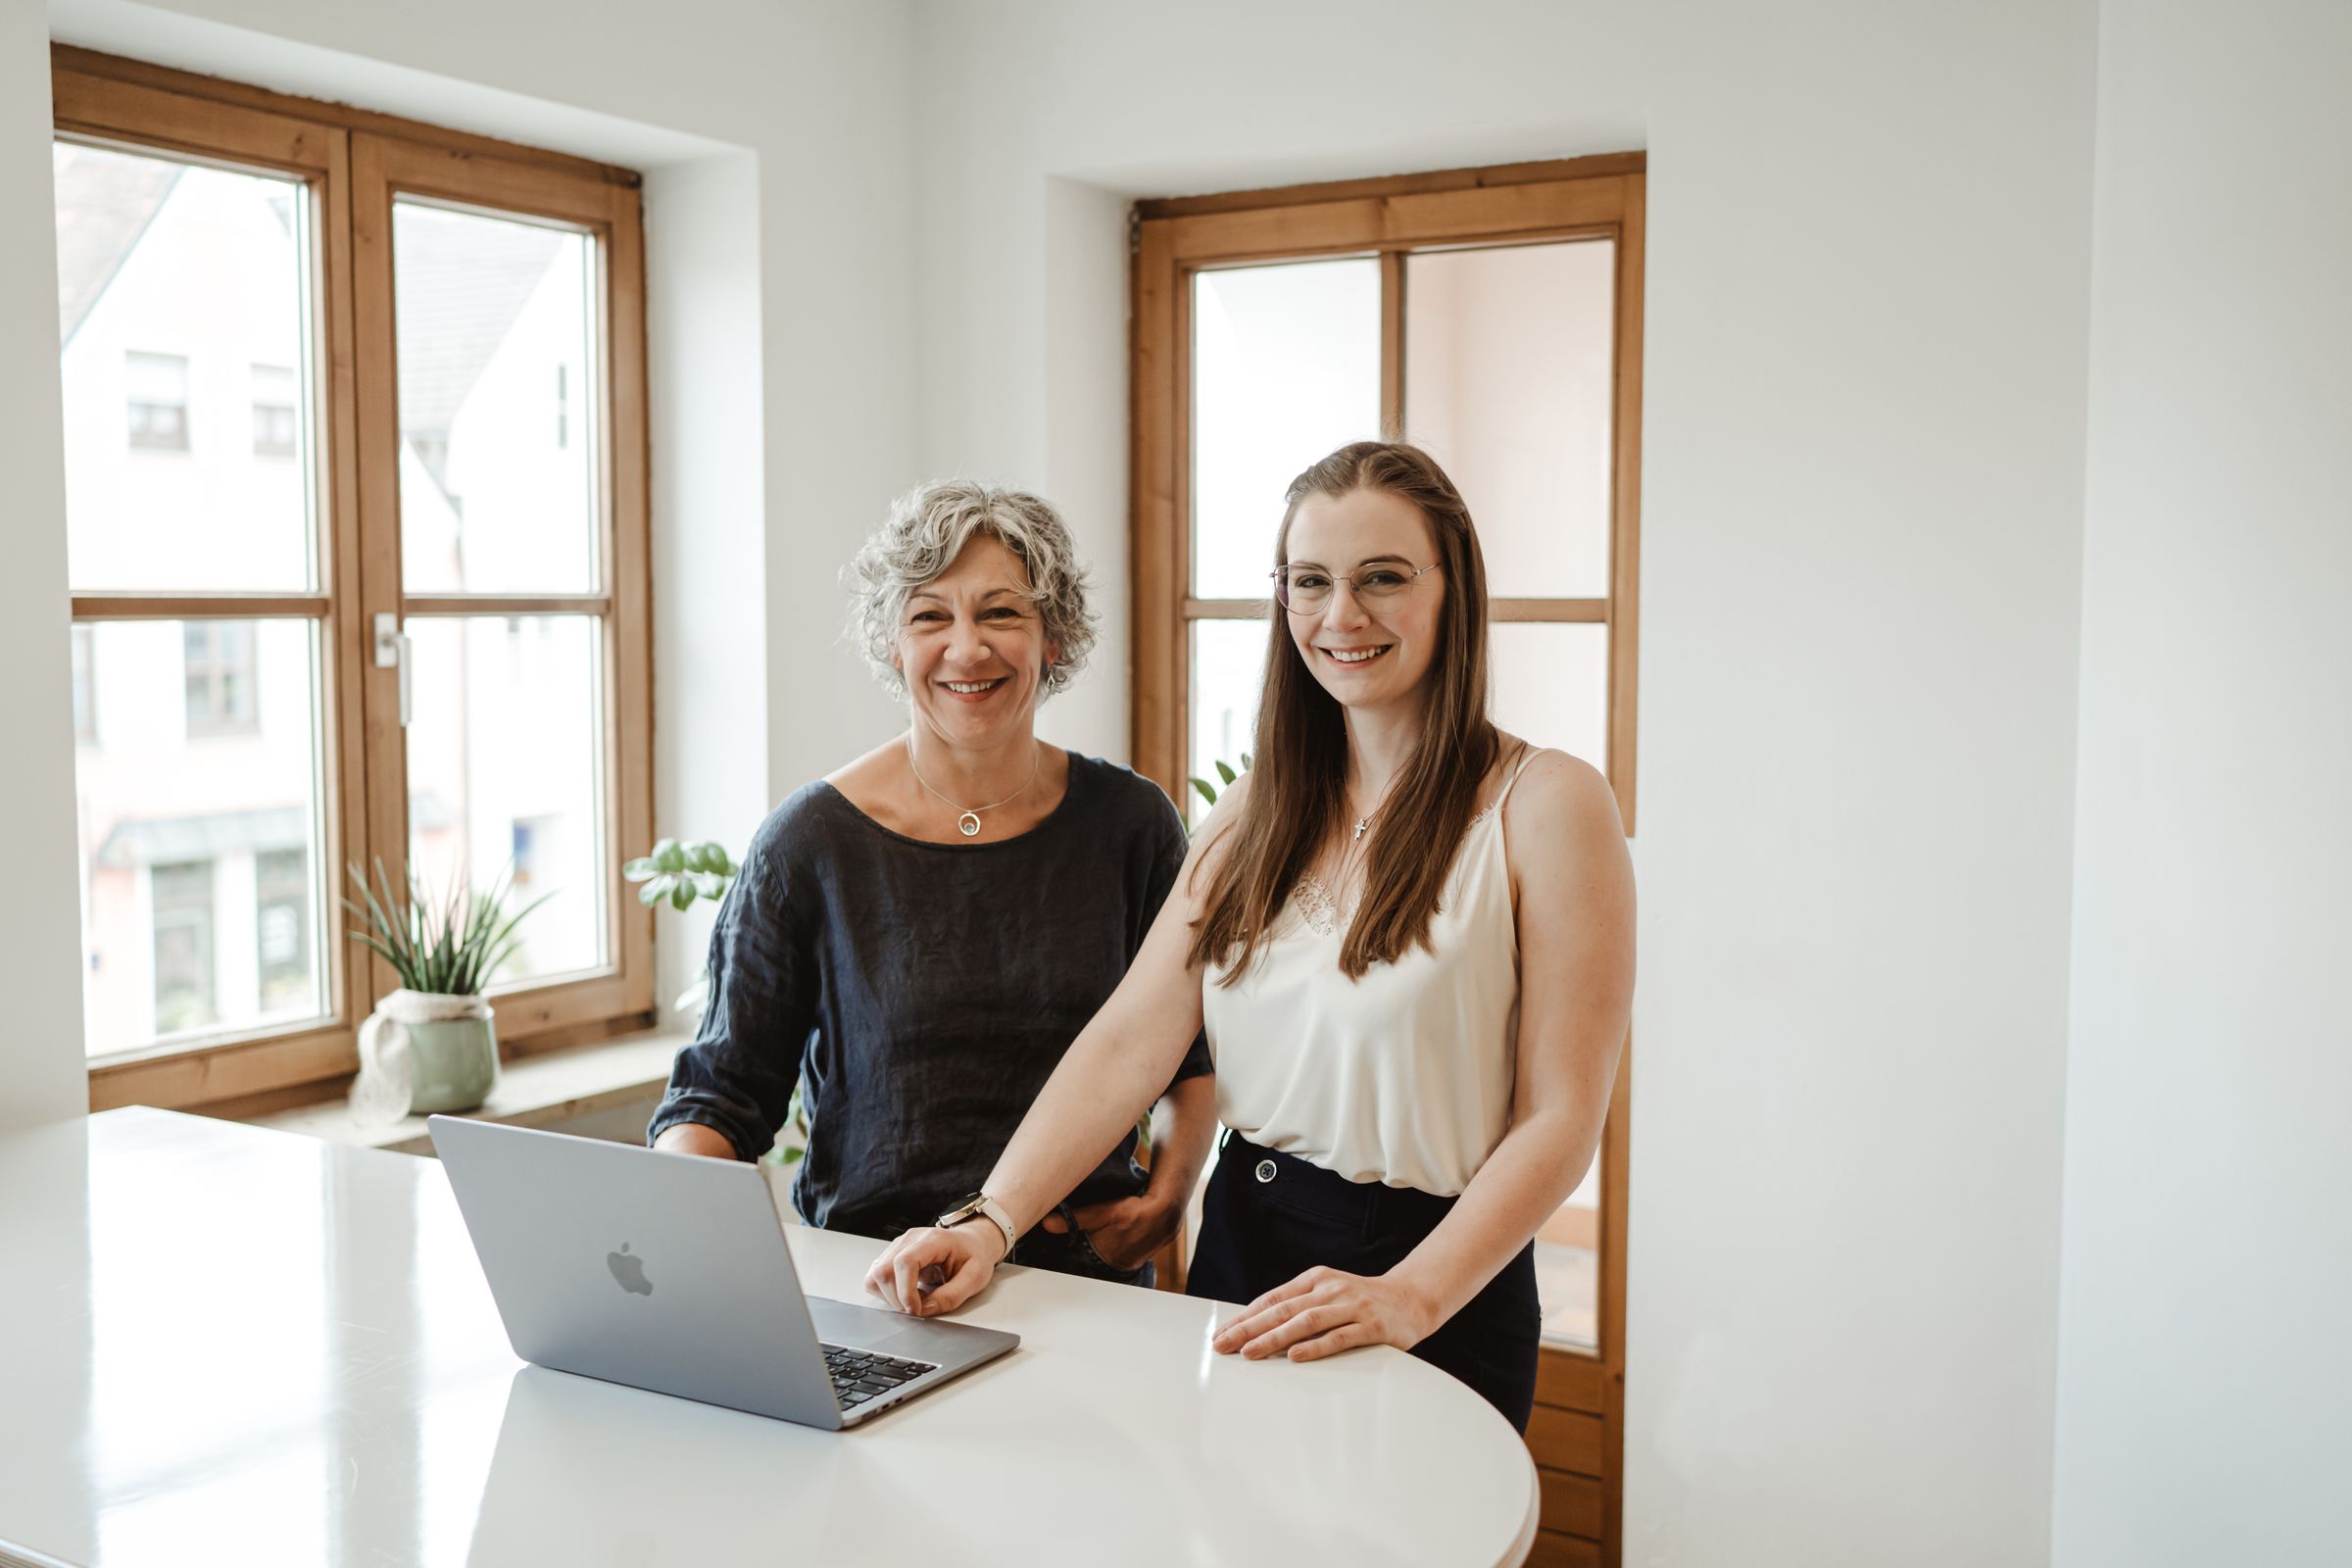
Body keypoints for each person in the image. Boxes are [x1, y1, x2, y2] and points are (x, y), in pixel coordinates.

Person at [862, 442, 1635, 1429]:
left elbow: (1562, 1119)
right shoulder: (1251, 813)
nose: (1341, 615)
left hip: (1435, 1271)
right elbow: (1130, 1037)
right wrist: (990, 1218)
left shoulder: (1549, 804)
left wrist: (1414, 1293)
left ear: (1454, 590)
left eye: (1382, 578)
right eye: (1309, 581)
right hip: (1242, 1249)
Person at [647, 480, 1217, 1288]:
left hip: (1083, 1286)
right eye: (930, 617)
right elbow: (720, 1098)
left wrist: (1168, 1196)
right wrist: (683, 1219)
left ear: (1053, 637)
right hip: (874, 1285)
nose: (966, 647)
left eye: (1001, 613)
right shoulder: (808, 844)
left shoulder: (1131, 825)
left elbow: (1188, 1052)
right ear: (892, 643)